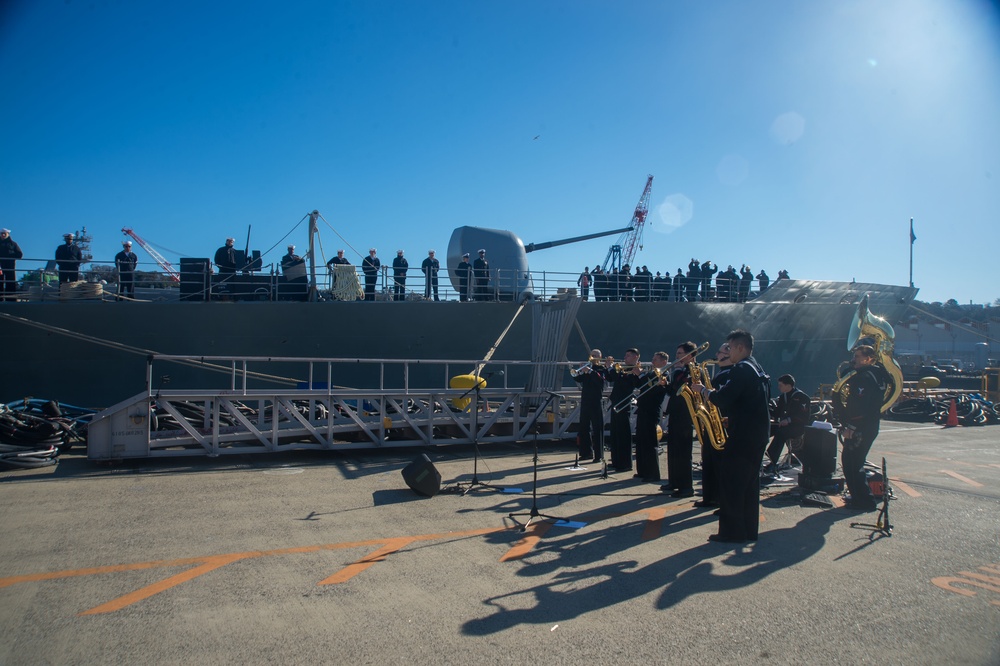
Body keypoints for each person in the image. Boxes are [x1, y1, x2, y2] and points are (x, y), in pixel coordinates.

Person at [692, 329, 770, 543]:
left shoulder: (741, 369)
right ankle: (747, 531)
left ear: (740, 348)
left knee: (732, 484)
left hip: (743, 437)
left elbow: (723, 399)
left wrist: (703, 391)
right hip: (756, 433)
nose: (728, 353)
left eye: (731, 348)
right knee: (749, 486)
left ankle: (731, 532)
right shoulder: (756, 367)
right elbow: (750, 401)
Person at [836, 345, 888, 510]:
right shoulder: (877, 374)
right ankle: (859, 498)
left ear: (869, 359)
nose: (854, 359)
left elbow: (861, 405)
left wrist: (851, 425)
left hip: (860, 426)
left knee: (852, 463)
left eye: (858, 356)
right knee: (851, 462)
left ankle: (864, 501)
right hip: (868, 425)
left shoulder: (864, 378)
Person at [695, 343, 734, 509]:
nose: (717, 355)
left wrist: (704, 390)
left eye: (721, 352)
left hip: (721, 422)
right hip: (712, 420)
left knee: (719, 462)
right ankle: (709, 497)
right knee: (709, 461)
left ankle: (719, 498)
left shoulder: (731, 374)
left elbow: (723, 398)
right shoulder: (721, 374)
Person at [661, 341, 698, 498]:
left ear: (689, 355)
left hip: (686, 414)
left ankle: (686, 487)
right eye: (676, 354)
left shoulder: (693, 370)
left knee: (683, 452)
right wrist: (665, 384)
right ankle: (674, 481)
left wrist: (676, 373)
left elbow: (682, 387)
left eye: (679, 354)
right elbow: (672, 391)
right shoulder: (680, 370)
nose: (677, 357)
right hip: (676, 413)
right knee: (674, 449)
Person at [634, 351, 670, 482]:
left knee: (650, 442)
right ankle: (642, 470)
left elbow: (653, 387)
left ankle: (652, 473)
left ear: (663, 362)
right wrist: (638, 374)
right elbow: (639, 384)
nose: (652, 362)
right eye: (653, 359)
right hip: (643, 409)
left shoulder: (664, 375)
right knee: (641, 441)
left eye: (655, 360)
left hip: (652, 410)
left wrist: (641, 374)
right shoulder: (650, 373)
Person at [764, 374, 811, 473]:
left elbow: (803, 416)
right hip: (785, 425)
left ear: (788, 385)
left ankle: (772, 459)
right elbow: (777, 412)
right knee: (766, 429)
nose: (779, 387)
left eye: (781, 385)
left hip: (797, 426)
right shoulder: (783, 397)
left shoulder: (802, 397)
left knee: (781, 433)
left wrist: (789, 420)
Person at [605, 348, 640, 472]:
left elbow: (622, 380)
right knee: (615, 433)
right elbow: (610, 378)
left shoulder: (634, 370)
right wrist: (607, 368)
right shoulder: (624, 368)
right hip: (616, 402)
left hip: (624, 404)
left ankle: (625, 463)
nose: (625, 358)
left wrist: (611, 368)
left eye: (628, 356)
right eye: (625, 355)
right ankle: (616, 461)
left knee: (623, 434)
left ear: (636, 357)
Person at [572, 349, 608, 463]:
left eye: (595, 356)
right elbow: (579, 379)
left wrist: (590, 371)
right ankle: (586, 453)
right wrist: (578, 372)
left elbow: (600, 381)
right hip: (586, 400)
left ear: (600, 357)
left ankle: (599, 455)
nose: (592, 358)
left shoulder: (601, 369)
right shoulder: (587, 370)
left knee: (597, 428)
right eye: (591, 355)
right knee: (584, 427)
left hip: (596, 401)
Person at [0, 228, 24, 301]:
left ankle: (11, 298)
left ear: (8, 234)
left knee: (10, 281)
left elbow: (19, 254)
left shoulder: (13, 244)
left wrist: (11, 256)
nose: (3, 235)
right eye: (2, 233)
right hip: (0, 266)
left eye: (5, 233)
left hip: (10, 266)